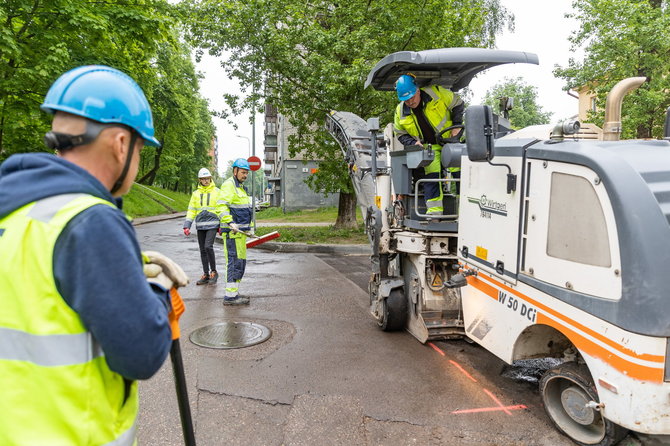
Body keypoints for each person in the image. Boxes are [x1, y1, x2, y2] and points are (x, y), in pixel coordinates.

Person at [0, 65, 188, 445]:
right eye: (139, 149)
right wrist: (155, 289)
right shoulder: (90, 221)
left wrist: (121, 270)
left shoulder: (16, 209)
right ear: (121, 144)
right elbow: (141, 354)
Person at [393, 74, 464, 214]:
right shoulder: (400, 111)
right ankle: (434, 213)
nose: (410, 102)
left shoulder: (436, 93)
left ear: (418, 90)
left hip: (450, 142)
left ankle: (465, 212)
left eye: (412, 97)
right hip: (428, 148)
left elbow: (458, 103)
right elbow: (400, 134)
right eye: (405, 100)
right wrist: (413, 142)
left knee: (460, 176)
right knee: (431, 178)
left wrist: (456, 127)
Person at [219, 158, 254, 305]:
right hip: (233, 233)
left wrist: (250, 228)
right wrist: (230, 223)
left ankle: (235, 293)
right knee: (233, 263)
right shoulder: (229, 185)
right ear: (235, 171)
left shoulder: (240, 188)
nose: (245, 175)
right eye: (243, 172)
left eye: (246, 173)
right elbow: (221, 206)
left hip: (241, 234)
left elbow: (245, 210)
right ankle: (230, 297)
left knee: (240, 263)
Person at [183, 167, 223, 285]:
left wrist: (222, 225)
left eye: (207, 178)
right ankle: (206, 274)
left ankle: (214, 272)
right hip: (200, 225)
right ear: (199, 180)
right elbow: (191, 210)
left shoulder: (217, 191)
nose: (205, 181)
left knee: (208, 246)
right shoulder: (195, 194)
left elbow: (222, 209)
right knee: (202, 250)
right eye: (203, 179)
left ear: (210, 178)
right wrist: (187, 225)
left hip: (213, 224)